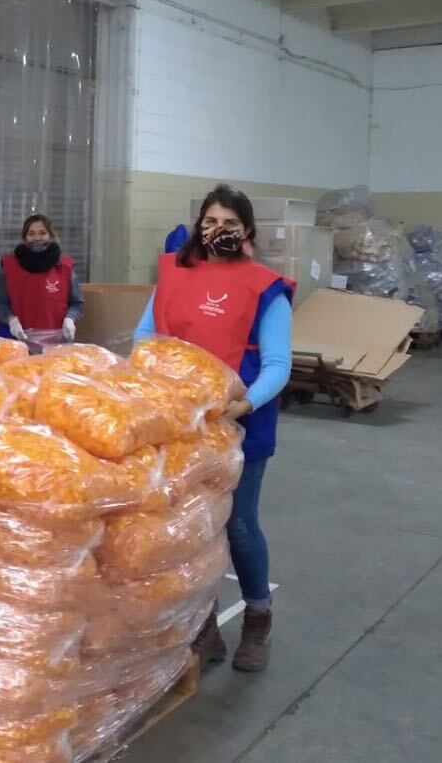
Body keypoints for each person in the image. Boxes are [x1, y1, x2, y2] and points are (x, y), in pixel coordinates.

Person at [133, 184, 293, 674]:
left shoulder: (265, 288)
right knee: (191, 532)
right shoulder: (175, 276)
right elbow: (145, 337)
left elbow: (277, 364)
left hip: (240, 425)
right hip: (183, 428)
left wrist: (242, 404)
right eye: (210, 222)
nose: (217, 231)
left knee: (238, 524)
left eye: (229, 224)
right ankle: (203, 626)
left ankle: (257, 619)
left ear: (246, 231)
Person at [0, 213, 84, 342]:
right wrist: (11, 320)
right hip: (17, 340)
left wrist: (70, 319)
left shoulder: (64, 268)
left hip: (54, 344)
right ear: (24, 237)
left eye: (42, 233)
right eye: (31, 233)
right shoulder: (9, 268)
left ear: (50, 236)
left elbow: (76, 303)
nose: (37, 238)